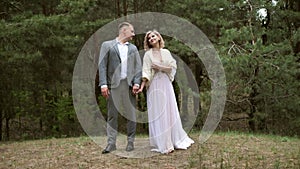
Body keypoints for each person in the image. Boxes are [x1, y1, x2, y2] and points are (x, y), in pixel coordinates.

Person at [137, 30, 194, 154]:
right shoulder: (147, 55)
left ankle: (173, 140)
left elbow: (172, 67)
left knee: (169, 110)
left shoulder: (166, 52)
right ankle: (164, 143)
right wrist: (141, 86)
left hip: (165, 83)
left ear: (158, 38)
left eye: (153, 36)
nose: (151, 38)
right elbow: (146, 71)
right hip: (154, 85)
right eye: (149, 38)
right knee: (159, 112)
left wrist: (159, 67)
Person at [98, 22, 142, 154]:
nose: (133, 34)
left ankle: (130, 143)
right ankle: (111, 144)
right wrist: (104, 84)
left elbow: (137, 67)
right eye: (132, 31)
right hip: (113, 86)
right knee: (112, 115)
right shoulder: (107, 45)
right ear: (124, 31)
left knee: (131, 115)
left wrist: (136, 83)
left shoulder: (133, 48)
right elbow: (102, 66)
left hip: (129, 86)